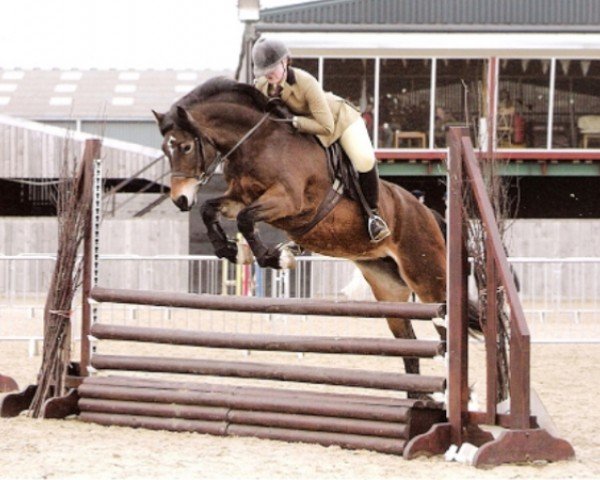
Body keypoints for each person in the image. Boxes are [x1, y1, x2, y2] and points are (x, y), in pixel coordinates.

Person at [251, 37, 390, 243]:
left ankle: (373, 216)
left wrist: (295, 122)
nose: (269, 73)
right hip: (305, 130)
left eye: (272, 67)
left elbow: (326, 126)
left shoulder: (305, 82)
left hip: (338, 121)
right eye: (264, 70)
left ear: (285, 62)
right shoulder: (261, 86)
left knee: (364, 160)